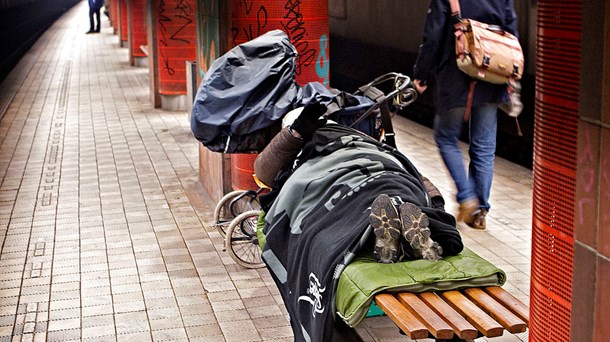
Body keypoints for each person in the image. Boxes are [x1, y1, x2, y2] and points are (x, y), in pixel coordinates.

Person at [253, 102, 463, 342]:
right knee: (395, 200)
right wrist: (434, 204)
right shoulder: (360, 136)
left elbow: (263, 172)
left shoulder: (303, 145)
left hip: (341, 183)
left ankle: (385, 236)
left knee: (344, 221)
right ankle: (408, 234)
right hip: (392, 176)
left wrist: (293, 135)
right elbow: (408, 167)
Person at [412, 0, 519, 229]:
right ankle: (480, 211)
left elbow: (432, 37)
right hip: (491, 79)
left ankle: (467, 196)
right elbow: (512, 34)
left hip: (455, 78)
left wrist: (422, 75)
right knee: (484, 146)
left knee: (445, 136)